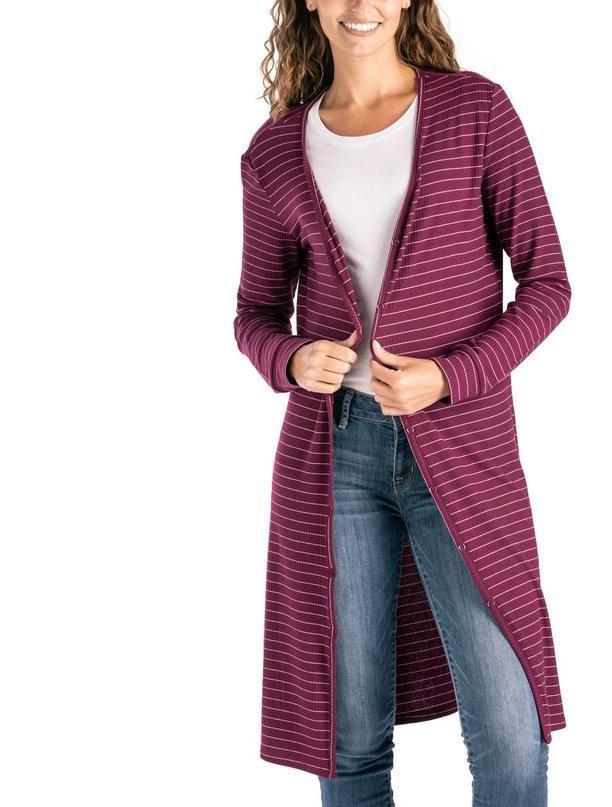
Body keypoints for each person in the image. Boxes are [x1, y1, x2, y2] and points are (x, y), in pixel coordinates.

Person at [234, 1, 572, 804]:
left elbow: (548, 284)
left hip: (463, 450)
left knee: (508, 732)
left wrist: (451, 375)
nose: (362, 6)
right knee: (347, 737)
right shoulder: (275, 150)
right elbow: (253, 313)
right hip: (334, 457)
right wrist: (290, 358)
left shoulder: (475, 111)